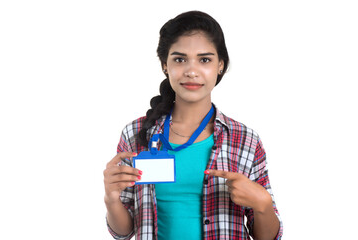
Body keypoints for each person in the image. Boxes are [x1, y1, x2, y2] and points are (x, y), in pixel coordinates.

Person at [103, 11, 283, 240]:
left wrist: (263, 205)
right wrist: (111, 198)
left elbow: (266, 237)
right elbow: (123, 232)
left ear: (221, 66)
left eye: (205, 59)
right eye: (179, 59)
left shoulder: (245, 139)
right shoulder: (136, 134)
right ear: (164, 66)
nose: (191, 70)